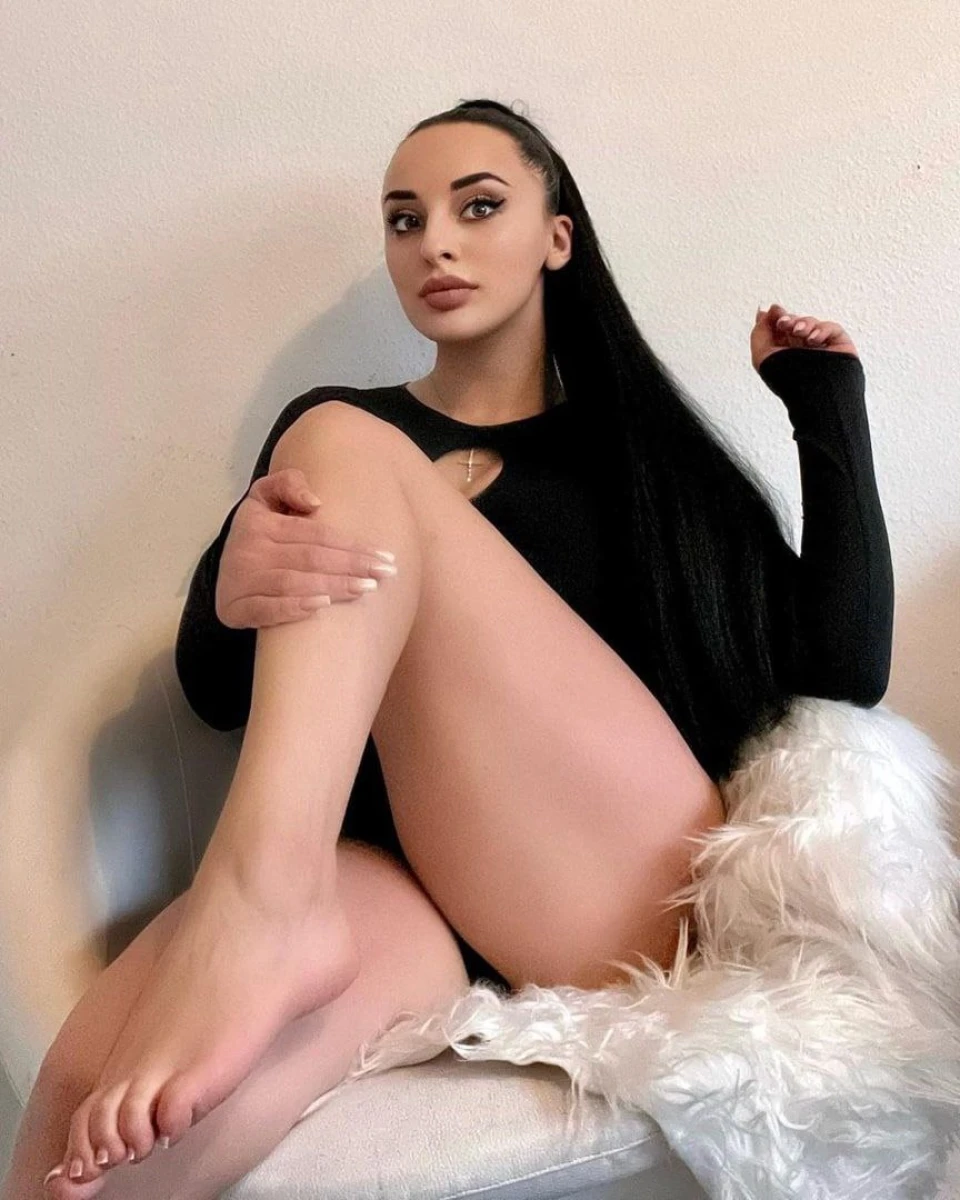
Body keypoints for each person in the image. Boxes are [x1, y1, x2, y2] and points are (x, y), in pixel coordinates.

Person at [10, 98, 893, 1200]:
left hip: (612, 891)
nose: (434, 242)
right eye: (404, 219)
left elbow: (843, 667)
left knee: (339, 442)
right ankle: (272, 913)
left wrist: (827, 402)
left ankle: (262, 909)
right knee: (85, 1115)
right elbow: (216, 695)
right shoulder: (344, 430)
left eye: (477, 207)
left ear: (556, 238)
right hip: (409, 888)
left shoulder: (628, 447)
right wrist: (223, 601)